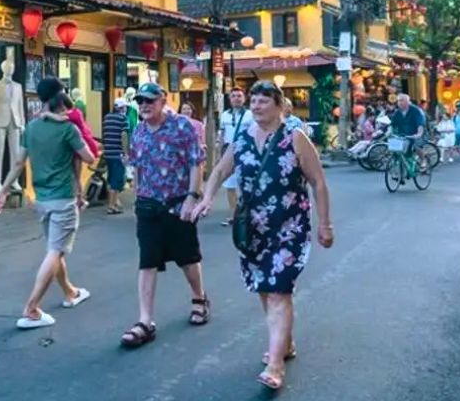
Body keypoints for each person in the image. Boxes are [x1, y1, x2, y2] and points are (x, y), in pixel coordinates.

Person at [189, 82, 333, 391]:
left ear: (279, 105)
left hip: (289, 227)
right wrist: (206, 198)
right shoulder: (242, 140)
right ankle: (285, 342)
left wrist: (325, 225)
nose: (255, 106)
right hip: (252, 230)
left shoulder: (295, 138)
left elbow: (318, 182)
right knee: (265, 289)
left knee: (279, 289)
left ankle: (275, 363)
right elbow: (219, 172)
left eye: (263, 100)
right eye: (253, 100)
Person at [0, 78, 96, 330]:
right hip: (63, 198)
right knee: (55, 251)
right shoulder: (68, 129)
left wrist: (3, 191)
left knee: (54, 248)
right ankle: (31, 308)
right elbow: (89, 156)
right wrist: (76, 126)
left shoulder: (31, 127)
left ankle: (70, 292)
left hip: (41, 199)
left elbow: (18, 163)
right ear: (63, 99)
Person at [119, 83, 208, 348]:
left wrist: (193, 197)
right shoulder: (139, 131)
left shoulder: (183, 127)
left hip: (178, 203)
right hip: (148, 205)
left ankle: (199, 298)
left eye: (149, 100)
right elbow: (138, 168)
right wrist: (137, 199)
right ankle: (145, 320)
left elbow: (196, 163)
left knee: (187, 258)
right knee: (147, 261)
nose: (144, 105)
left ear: (163, 100)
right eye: (140, 101)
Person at [218, 87, 251, 227]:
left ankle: (247, 213)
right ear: (229, 99)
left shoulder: (250, 115)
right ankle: (234, 215)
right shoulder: (225, 115)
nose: (236, 98)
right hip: (228, 153)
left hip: (246, 153)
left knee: (245, 184)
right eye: (233, 96)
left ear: (244, 98)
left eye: (239, 95)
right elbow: (222, 134)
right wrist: (219, 151)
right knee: (230, 185)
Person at [100, 99, 130, 214]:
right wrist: (126, 151)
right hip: (118, 153)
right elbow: (124, 135)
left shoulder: (107, 117)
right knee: (117, 180)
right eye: (125, 108)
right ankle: (111, 206)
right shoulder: (123, 119)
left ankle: (115, 201)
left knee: (111, 178)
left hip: (108, 153)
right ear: (121, 108)